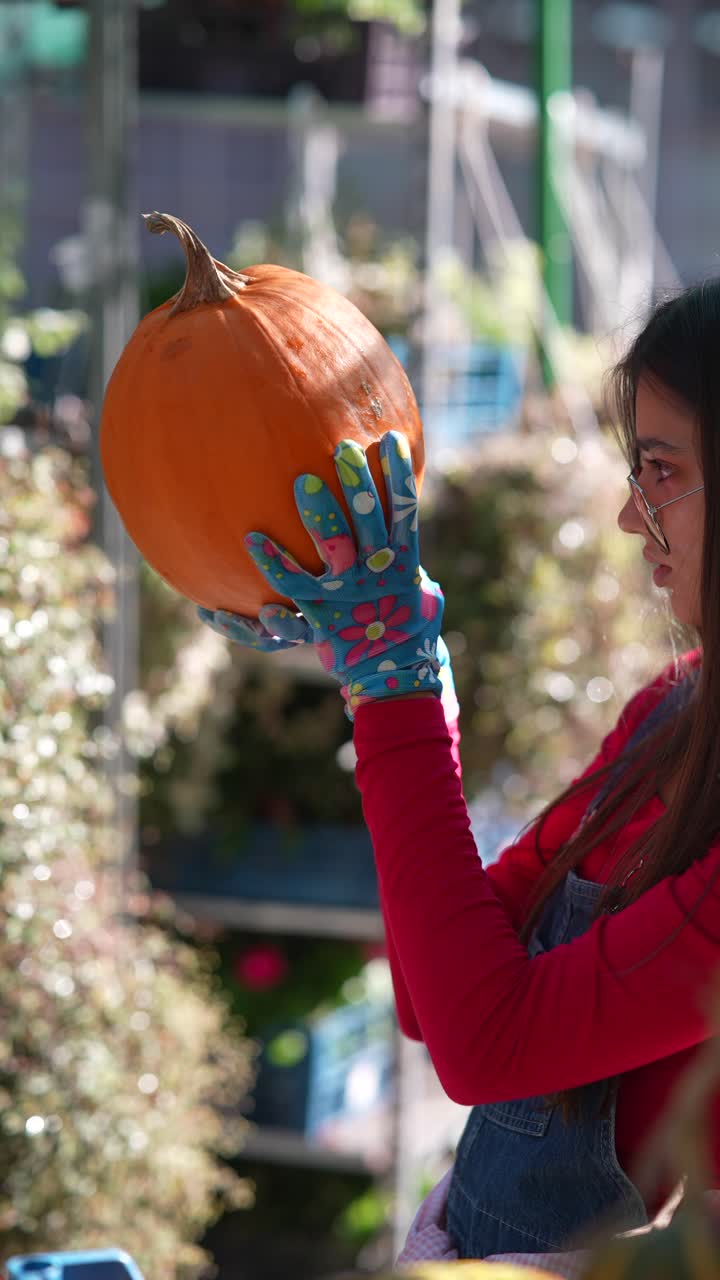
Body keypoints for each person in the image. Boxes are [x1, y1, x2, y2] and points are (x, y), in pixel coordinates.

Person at [199, 282, 720, 1261]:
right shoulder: (676, 707)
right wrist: (413, 687)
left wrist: (393, 694)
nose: (627, 514)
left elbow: (486, 1043)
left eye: (662, 469)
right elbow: (435, 1001)